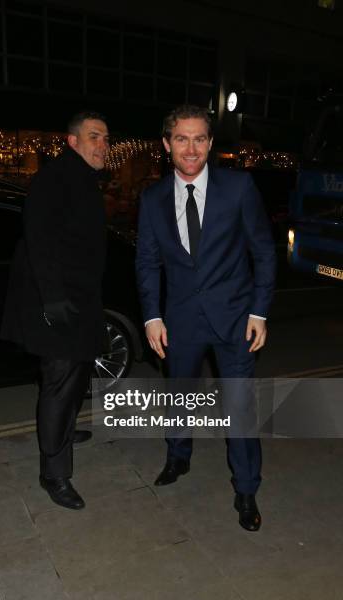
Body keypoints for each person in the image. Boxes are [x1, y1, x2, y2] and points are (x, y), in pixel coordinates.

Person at [135, 105, 276, 531]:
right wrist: (151, 317)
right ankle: (178, 458)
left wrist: (259, 311)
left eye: (199, 139)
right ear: (166, 145)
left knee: (239, 407)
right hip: (179, 320)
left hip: (235, 318)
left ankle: (247, 490)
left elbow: (264, 252)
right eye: (182, 139)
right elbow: (147, 263)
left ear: (210, 143)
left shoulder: (238, 188)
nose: (191, 148)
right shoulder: (152, 198)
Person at [0, 111, 110, 510]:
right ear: (72, 141)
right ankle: (55, 473)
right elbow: (39, 237)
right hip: (58, 301)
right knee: (60, 383)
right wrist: (53, 299)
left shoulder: (80, 176)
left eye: (105, 138)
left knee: (76, 373)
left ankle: (61, 430)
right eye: (94, 136)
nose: (102, 145)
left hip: (78, 298)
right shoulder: (57, 176)